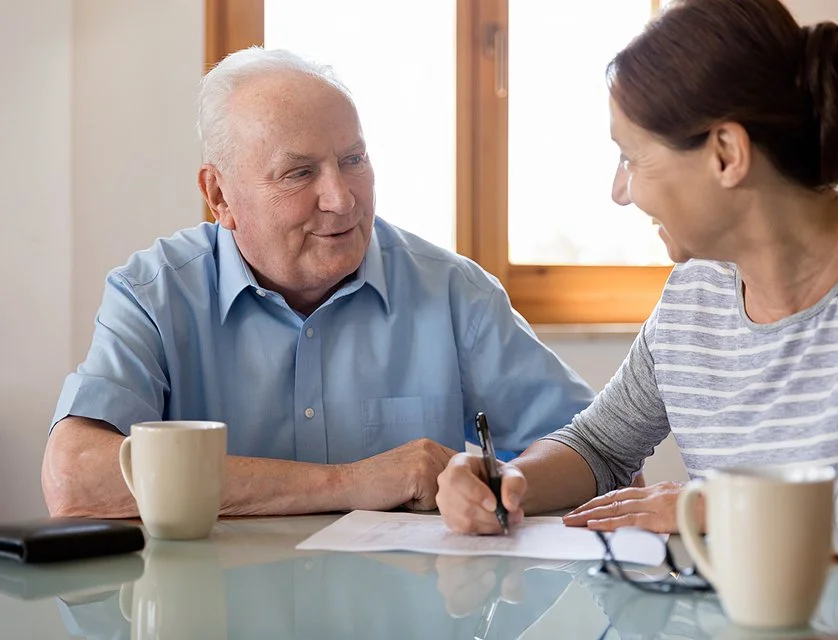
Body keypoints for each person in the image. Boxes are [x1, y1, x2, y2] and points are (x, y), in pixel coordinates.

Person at [437, 0, 838, 573]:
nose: (620, 191)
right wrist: (509, 481)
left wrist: (708, 504)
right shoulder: (695, 292)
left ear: (727, 154)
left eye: (631, 157)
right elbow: (599, 446)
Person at [41, 47, 594, 519]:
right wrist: (353, 482)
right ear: (220, 197)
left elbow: (598, 453)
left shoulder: (453, 291)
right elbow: (75, 482)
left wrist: (496, 482)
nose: (342, 198)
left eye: (353, 160)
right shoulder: (154, 295)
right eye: (299, 172)